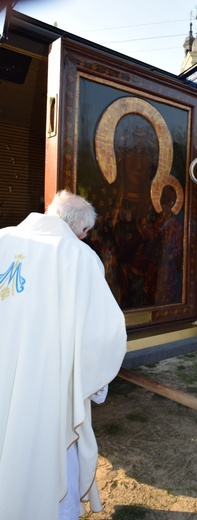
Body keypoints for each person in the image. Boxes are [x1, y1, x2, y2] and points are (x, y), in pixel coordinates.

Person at [0, 190, 127, 520]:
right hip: (46, 384)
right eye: (86, 233)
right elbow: (102, 333)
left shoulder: (3, 239)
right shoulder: (80, 258)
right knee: (48, 454)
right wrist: (93, 384)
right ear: (81, 230)